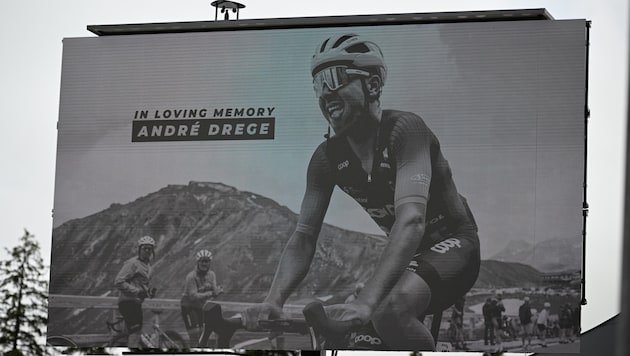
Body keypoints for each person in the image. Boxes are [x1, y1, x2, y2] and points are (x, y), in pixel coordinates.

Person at [243, 33, 480, 351]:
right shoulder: (326, 159)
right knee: (357, 337)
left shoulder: (405, 131)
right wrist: (274, 300)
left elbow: (411, 220)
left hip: (456, 244)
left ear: (372, 86)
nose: (325, 94)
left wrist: (368, 302)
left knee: (389, 313)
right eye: (317, 85)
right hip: (411, 258)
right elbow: (303, 236)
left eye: (333, 79)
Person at [114, 236, 156, 348]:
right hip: (127, 302)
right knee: (136, 332)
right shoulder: (132, 263)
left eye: (150, 248)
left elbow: (141, 285)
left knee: (134, 333)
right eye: (145, 248)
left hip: (136, 303)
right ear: (139, 249)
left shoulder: (148, 266)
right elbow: (118, 281)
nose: (147, 251)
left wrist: (149, 292)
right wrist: (137, 291)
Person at [180, 249, 223, 347]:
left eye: (206, 261)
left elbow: (214, 290)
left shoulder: (211, 274)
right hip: (188, 307)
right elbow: (193, 296)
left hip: (200, 307)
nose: (204, 264)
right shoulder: (191, 276)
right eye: (202, 261)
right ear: (198, 262)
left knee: (203, 334)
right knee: (194, 334)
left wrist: (218, 291)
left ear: (209, 263)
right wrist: (212, 293)